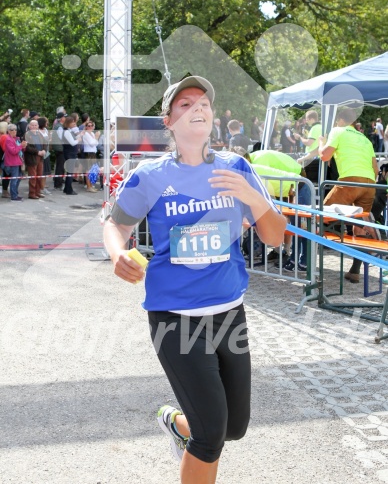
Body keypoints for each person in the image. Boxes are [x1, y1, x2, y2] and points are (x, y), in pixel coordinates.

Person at [104, 76, 286, 484]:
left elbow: (275, 237)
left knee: (232, 427)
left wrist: (254, 198)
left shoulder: (237, 167)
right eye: (185, 103)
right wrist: (118, 254)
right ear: (168, 121)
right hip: (175, 318)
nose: (197, 107)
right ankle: (193, 432)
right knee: (210, 438)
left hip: (229, 315)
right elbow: (115, 226)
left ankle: (175, 421)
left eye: (203, 102)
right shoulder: (149, 175)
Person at [319, 107, 379, 284]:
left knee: (320, 215)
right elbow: (375, 169)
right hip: (369, 184)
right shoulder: (366, 140)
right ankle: (354, 271)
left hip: (350, 181)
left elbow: (324, 156)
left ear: (341, 120)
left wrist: (322, 142)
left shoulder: (338, 130)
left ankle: (307, 266)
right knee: (359, 226)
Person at [3, 124, 27, 201]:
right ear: (8, 131)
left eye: (15, 130)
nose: (14, 131)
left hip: (19, 161)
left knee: (19, 178)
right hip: (12, 163)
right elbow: (13, 151)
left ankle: (15, 193)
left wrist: (24, 146)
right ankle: (14, 196)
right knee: (14, 179)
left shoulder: (17, 139)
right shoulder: (8, 140)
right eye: (12, 130)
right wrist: (21, 146)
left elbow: (21, 150)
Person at [24, 119, 47, 199]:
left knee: (39, 176)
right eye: (32, 125)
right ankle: (32, 193)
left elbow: (45, 143)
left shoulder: (39, 134)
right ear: (29, 126)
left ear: (38, 126)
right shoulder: (27, 135)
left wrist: (44, 150)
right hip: (32, 158)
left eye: (35, 125)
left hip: (40, 158)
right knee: (33, 177)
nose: (34, 127)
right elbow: (27, 148)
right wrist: (37, 152)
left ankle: (38, 192)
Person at [62, 116, 85, 195]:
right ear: (68, 123)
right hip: (69, 153)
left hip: (71, 153)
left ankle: (66, 188)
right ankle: (69, 189)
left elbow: (74, 138)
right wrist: (78, 139)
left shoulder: (69, 131)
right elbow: (72, 142)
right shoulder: (67, 132)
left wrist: (80, 135)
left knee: (70, 172)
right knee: (70, 172)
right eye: (72, 122)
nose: (74, 124)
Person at [82, 120, 100, 192]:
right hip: (88, 153)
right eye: (88, 126)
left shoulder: (92, 133)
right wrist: (96, 137)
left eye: (91, 125)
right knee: (88, 170)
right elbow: (92, 143)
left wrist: (95, 138)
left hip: (93, 152)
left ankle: (91, 185)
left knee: (93, 170)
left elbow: (95, 144)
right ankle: (88, 186)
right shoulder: (86, 134)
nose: (90, 127)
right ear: (86, 127)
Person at [52, 112, 67, 190]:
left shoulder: (57, 126)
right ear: (61, 118)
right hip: (60, 148)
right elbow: (61, 138)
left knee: (59, 165)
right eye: (64, 117)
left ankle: (58, 182)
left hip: (58, 148)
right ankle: (58, 183)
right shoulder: (60, 127)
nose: (65, 118)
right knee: (60, 166)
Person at [38, 117, 52, 195]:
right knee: (41, 171)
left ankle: (43, 187)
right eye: (46, 122)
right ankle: (40, 187)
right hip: (42, 152)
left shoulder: (46, 130)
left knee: (46, 171)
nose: (47, 123)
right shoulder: (38, 131)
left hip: (47, 152)